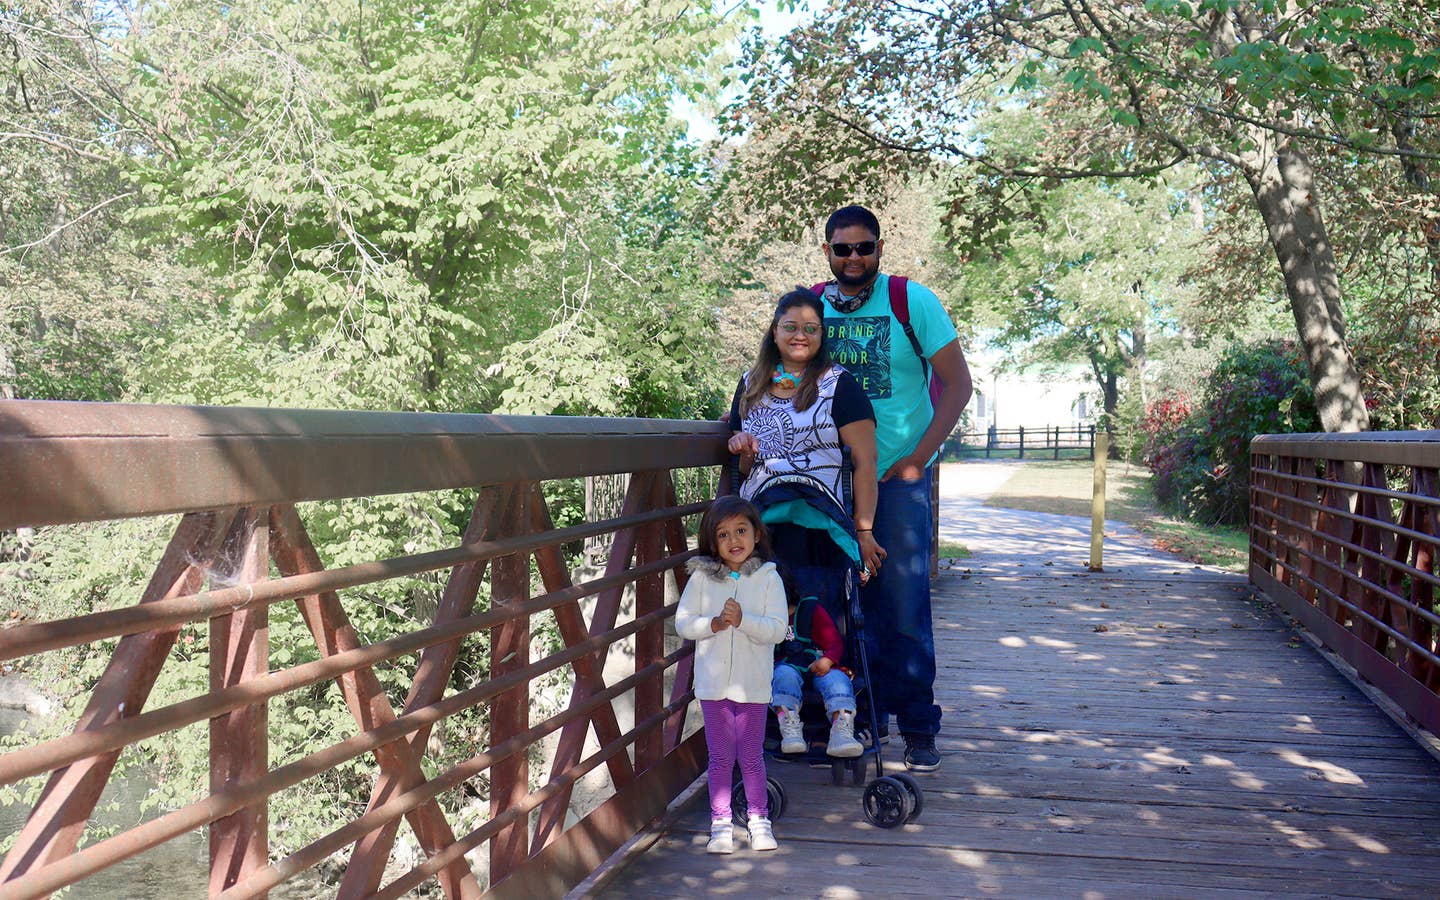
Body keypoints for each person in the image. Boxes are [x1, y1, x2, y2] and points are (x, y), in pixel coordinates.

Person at [814, 204, 973, 772]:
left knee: (901, 605)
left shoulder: (913, 301)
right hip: (826, 482)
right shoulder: (811, 306)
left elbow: (958, 385)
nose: (853, 257)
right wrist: (747, 431)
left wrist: (917, 460)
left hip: (895, 483)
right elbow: (782, 376)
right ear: (827, 252)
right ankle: (852, 719)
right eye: (842, 248)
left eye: (864, 247)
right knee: (827, 604)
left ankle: (917, 726)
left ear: (880, 248)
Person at [725, 289, 884, 758]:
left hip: (822, 520)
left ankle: (840, 716)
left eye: (810, 328)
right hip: (764, 524)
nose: (800, 335)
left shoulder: (840, 384)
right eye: (790, 326)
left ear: (821, 335)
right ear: (774, 331)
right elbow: (743, 465)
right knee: (764, 615)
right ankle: (774, 717)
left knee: (828, 614)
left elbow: (865, 462)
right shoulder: (751, 382)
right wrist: (743, 450)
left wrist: (865, 531)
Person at [674, 496, 787, 855]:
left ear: (757, 534)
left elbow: (777, 629)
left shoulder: (769, 579)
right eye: (723, 534)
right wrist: (714, 624)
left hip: (752, 686)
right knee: (720, 757)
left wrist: (743, 621)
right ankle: (720, 823)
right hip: (713, 687)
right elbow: (683, 623)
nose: (734, 540)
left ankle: (759, 820)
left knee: (751, 756)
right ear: (712, 542)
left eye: (741, 530)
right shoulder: (702, 579)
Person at [772, 586, 864, 758]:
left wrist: (828, 660)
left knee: (838, 680)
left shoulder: (810, 610)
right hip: (786, 667)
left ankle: (841, 729)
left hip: (819, 663)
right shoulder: (765, 619)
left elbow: (835, 643)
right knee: (783, 676)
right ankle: (789, 726)